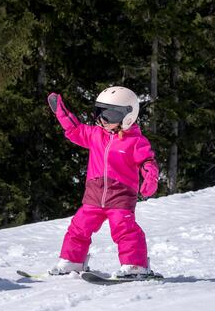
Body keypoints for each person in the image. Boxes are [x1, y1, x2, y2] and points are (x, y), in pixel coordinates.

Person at [47, 86, 159, 278]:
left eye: (110, 114)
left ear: (128, 116)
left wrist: (150, 178)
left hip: (120, 196)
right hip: (94, 194)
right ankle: (73, 261)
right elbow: (75, 129)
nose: (103, 120)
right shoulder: (95, 135)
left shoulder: (135, 141)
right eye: (100, 113)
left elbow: (147, 162)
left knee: (125, 230)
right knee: (79, 226)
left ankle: (135, 265)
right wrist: (61, 113)